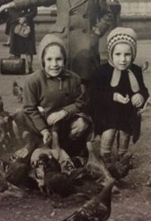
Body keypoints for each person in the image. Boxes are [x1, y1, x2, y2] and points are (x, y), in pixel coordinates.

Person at [13, 34, 94, 167]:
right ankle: (35, 144)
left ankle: (66, 149)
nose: (54, 64)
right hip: (40, 122)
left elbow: (80, 103)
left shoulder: (73, 79)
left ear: (64, 60)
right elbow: (30, 108)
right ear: (43, 60)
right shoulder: (33, 80)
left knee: (82, 123)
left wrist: (64, 112)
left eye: (58, 59)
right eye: (49, 59)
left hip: (63, 124)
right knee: (18, 115)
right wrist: (44, 130)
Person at [89, 27, 149, 163]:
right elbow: (94, 93)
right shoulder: (102, 71)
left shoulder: (135, 70)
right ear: (111, 54)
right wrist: (113, 96)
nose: (123, 59)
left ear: (133, 54)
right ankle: (106, 154)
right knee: (109, 131)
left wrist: (139, 96)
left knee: (125, 132)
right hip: (107, 111)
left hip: (126, 112)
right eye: (118, 54)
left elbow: (143, 89)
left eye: (127, 55)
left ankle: (123, 155)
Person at [8, 0, 37, 74]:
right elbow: (10, 11)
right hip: (16, 25)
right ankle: (17, 67)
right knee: (16, 48)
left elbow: (34, 11)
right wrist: (18, 19)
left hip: (27, 26)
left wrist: (25, 18)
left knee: (29, 48)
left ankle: (30, 67)